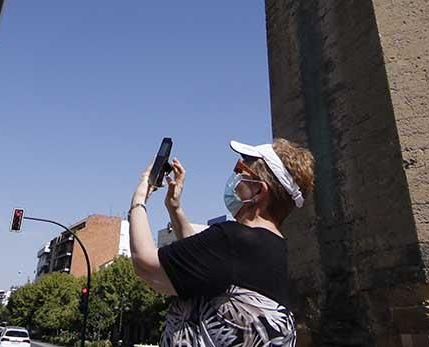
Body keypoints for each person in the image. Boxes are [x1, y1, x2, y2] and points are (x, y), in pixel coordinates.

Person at [129, 138, 315, 346]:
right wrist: (175, 208)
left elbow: (145, 263)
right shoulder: (273, 250)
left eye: (241, 169)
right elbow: (204, 264)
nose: (235, 176)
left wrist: (139, 197)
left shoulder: (233, 239)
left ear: (260, 191)